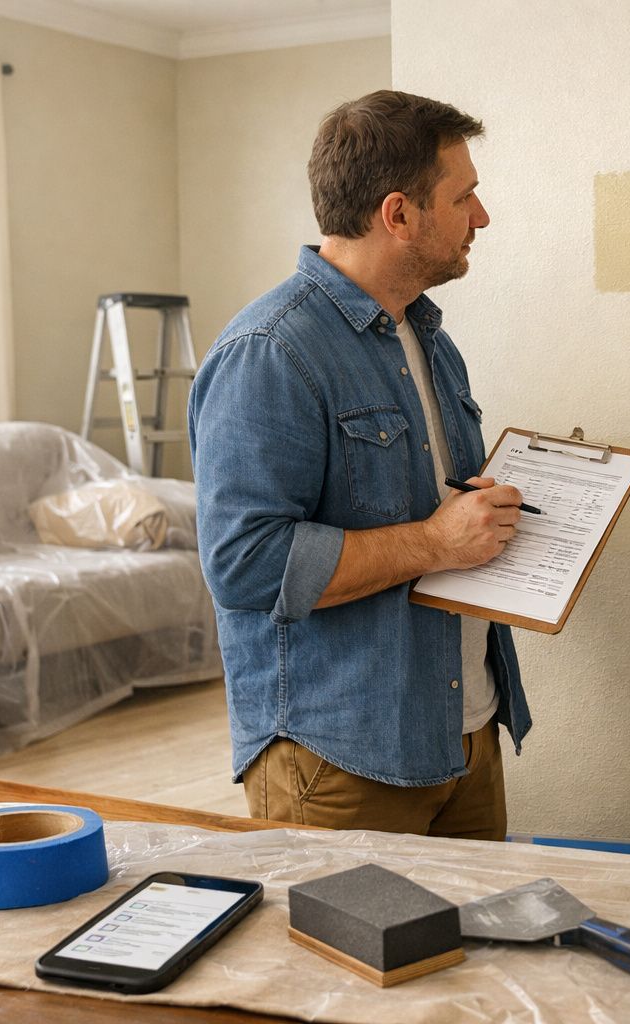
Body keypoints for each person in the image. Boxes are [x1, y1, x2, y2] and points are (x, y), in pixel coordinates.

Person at [189, 90, 530, 842]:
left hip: (465, 730)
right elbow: (245, 564)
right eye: (464, 195)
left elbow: (438, 513)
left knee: (472, 959)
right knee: (340, 964)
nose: (482, 216)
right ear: (399, 214)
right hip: (338, 759)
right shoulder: (271, 352)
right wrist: (437, 543)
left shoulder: (431, 339)